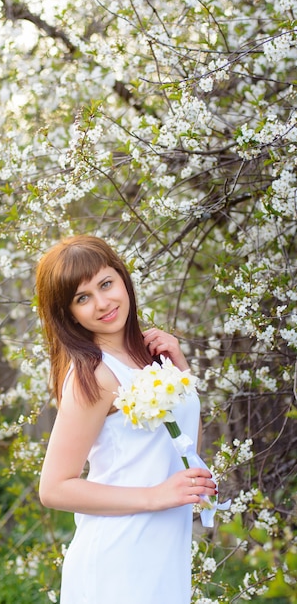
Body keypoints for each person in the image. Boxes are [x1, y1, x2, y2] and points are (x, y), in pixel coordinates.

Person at [35, 235, 216, 604]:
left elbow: (186, 452)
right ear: (67, 312)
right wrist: (154, 496)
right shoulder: (94, 376)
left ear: (122, 279)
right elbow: (53, 488)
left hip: (163, 547)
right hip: (120, 556)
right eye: (82, 298)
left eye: (106, 284)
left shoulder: (149, 356)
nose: (102, 303)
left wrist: (181, 374)